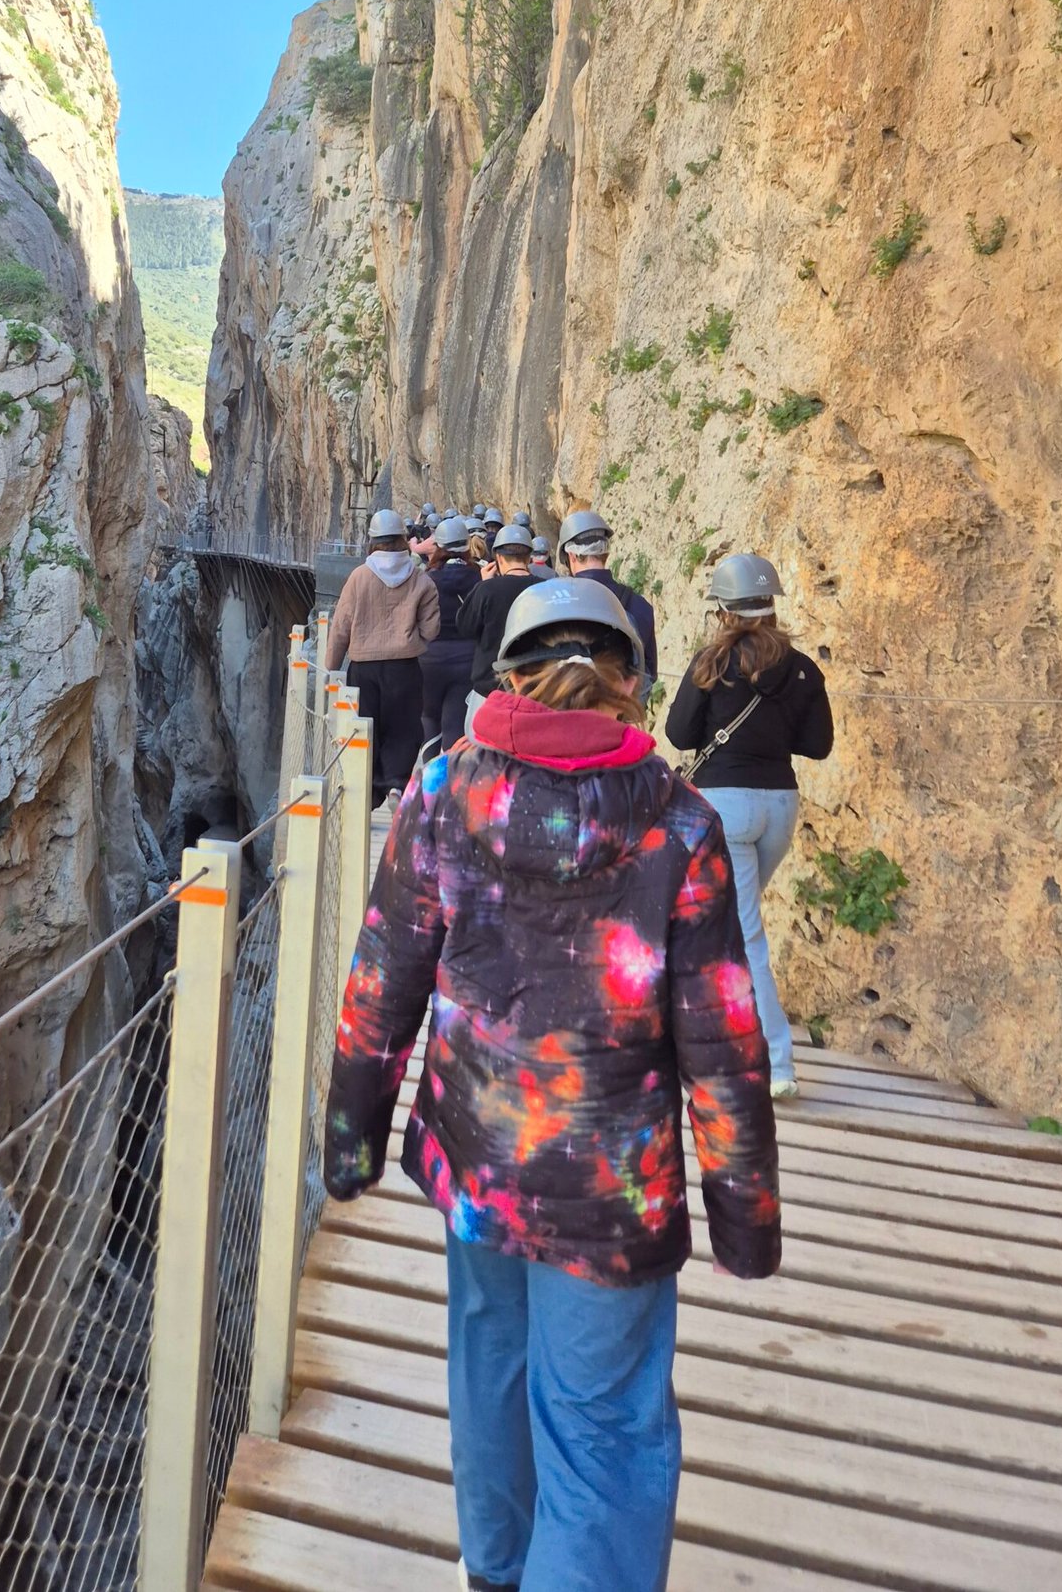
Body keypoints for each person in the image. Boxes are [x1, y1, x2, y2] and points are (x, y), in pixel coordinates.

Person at [325, 578, 781, 1592]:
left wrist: (351, 1145)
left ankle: (494, 1571)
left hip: (478, 1159)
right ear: (632, 687)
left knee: (491, 1364)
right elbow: (723, 1046)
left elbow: (380, 984)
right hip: (610, 1192)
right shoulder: (680, 824)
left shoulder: (442, 794)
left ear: (507, 677)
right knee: (602, 1428)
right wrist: (744, 1219)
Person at [665, 554, 834, 1101]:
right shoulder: (802, 669)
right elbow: (818, 745)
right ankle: (711, 1034)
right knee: (730, 926)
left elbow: (679, 733)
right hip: (779, 805)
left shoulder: (712, 663)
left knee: (742, 932)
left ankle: (775, 1061)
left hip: (725, 806)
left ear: (723, 610)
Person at [326, 508, 441, 806]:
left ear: (373, 541)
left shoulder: (358, 577)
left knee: (367, 728)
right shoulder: (420, 579)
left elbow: (341, 626)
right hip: (405, 667)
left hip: (363, 667)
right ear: (403, 539)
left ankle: (369, 791)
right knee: (403, 729)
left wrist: (331, 667)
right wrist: (412, 641)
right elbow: (431, 628)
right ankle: (395, 786)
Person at [559, 509, 658, 684]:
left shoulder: (560, 605)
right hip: (626, 699)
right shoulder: (641, 606)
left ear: (571, 556)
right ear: (605, 553)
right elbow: (649, 673)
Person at [457, 525, 540, 720]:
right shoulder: (545, 587)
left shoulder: (487, 590)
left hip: (490, 686)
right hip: (535, 686)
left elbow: (465, 627)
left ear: (499, 558)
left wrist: (483, 583)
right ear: (529, 557)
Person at [421, 517, 481, 753]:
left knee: (428, 718)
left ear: (438, 547)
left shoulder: (427, 579)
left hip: (430, 657)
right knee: (455, 723)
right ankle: (451, 771)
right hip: (467, 659)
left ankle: (430, 771)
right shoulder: (479, 578)